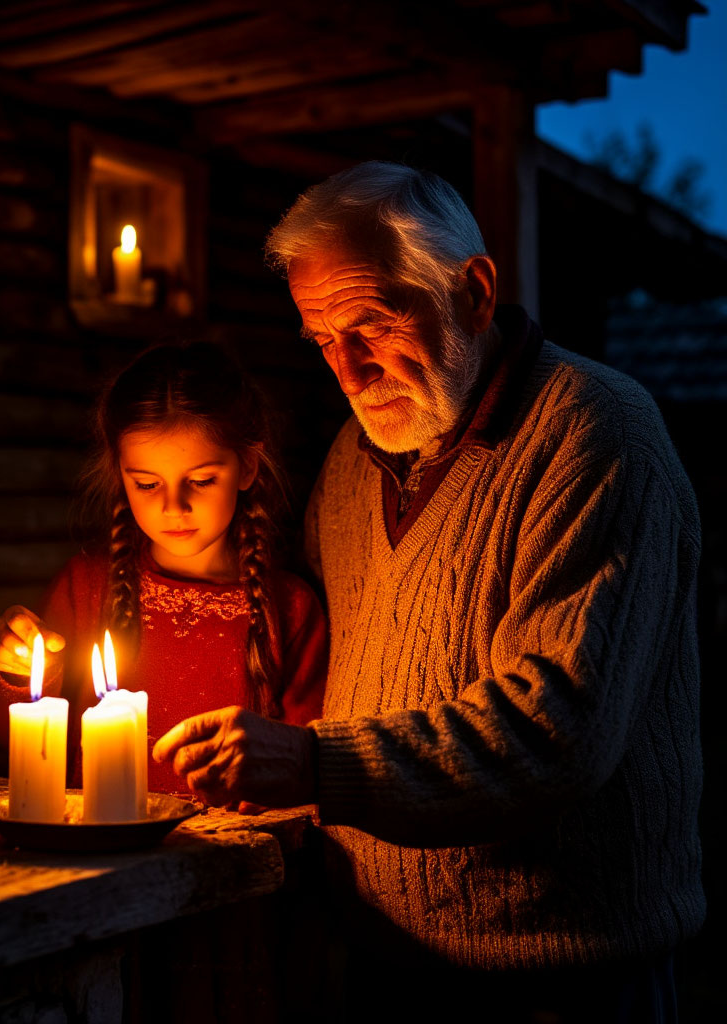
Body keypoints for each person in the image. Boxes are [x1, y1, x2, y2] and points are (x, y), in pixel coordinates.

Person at [152, 163, 704, 1020]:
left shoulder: (595, 434)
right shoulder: (350, 462)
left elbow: (560, 731)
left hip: (561, 982)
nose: (349, 367)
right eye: (321, 338)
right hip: (376, 962)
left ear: (473, 291)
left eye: (371, 322)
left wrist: (309, 763)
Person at [0, 341, 327, 795]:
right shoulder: (86, 588)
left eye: (201, 480)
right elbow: (25, 739)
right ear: (121, 475)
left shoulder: (291, 608)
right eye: (146, 484)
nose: (173, 507)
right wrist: (17, 669)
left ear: (247, 468)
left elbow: (304, 759)